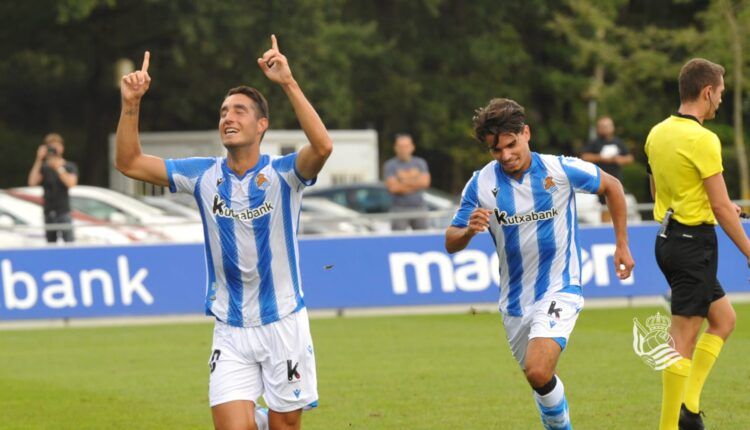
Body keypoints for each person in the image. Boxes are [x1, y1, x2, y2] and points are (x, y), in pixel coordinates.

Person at [114, 35, 332, 430]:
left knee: (286, 425)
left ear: (262, 124)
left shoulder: (284, 173)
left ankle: (266, 420)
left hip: (283, 321)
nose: (228, 118)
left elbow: (322, 146)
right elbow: (128, 162)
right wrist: (131, 105)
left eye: (240, 111)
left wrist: (288, 82)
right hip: (229, 328)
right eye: (223, 112)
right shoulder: (202, 175)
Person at [445, 98, 634, 429]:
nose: (505, 156)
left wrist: (621, 245)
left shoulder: (559, 169)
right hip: (515, 302)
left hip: (561, 286)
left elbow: (613, 187)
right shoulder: (481, 184)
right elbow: (451, 240)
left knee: (538, 370)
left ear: (526, 133)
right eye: (496, 150)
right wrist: (469, 232)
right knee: (540, 379)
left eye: (511, 145)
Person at [646, 58, 749, 430]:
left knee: (724, 320)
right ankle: (670, 425)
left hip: (669, 240)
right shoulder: (704, 139)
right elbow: (721, 207)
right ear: (707, 92)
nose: (720, 100)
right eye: (720, 93)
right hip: (694, 244)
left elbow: (659, 189)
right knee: (682, 342)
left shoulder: (657, 133)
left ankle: (689, 408)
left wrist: (712, 205)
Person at [27, 133, 79, 243]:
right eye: (51, 146)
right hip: (48, 212)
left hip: (63, 211)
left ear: (62, 148)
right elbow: (32, 182)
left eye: (56, 146)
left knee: (69, 242)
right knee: (51, 244)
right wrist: (39, 159)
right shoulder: (44, 168)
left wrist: (58, 168)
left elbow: (71, 183)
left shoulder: (69, 166)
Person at [580, 116, 634, 222]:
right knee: (605, 206)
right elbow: (584, 156)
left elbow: (630, 158)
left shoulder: (618, 142)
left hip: (617, 180)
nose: (605, 129)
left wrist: (620, 160)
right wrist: (602, 158)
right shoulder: (594, 143)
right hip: (601, 181)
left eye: (607, 126)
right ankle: (605, 229)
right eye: (602, 127)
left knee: (618, 206)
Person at [383, 133, 431, 230]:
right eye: (400, 146)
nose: (403, 149)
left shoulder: (420, 163)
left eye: (406, 146)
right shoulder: (390, 165)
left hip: (419, 208)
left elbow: (425, 183)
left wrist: (403, 180)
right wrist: (415, 180)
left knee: (422, 239)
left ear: (412, 147)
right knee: (398, 241)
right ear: (395, 148)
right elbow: (393, 188)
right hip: (399, 209)